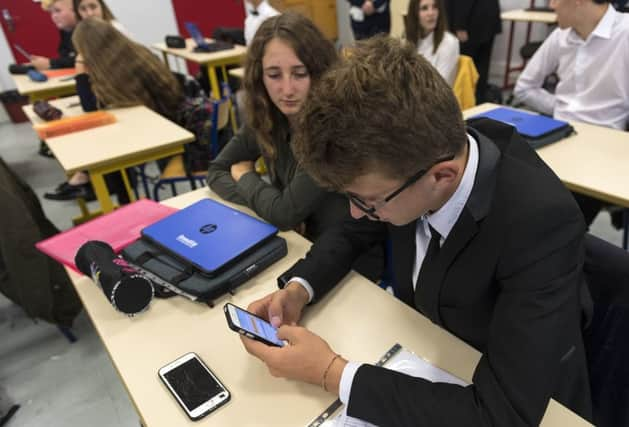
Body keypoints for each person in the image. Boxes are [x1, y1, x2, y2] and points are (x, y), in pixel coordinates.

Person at [240, 35, 593, 426]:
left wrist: (331, 373)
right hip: (430, 346)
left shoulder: (541, 225)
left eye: (368, 202)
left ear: (442, 177)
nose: (357, 214)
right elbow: (355, 230)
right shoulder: (418, 154)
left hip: (523, 391)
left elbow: (500, 414)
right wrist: (298, 288)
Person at [207, 13, 383, 281]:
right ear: (259, 77)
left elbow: (283, 213)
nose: (286, 89)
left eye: (300, 74)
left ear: (320, 71)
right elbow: (216, 171)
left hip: (348, 265)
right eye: (274, 75)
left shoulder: (335, 125)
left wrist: (245, 176)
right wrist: (268, 206)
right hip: (294, 245)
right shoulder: (268, 114)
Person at [514, 0, 629, 226]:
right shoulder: (561, 36)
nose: (552, 6)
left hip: (605, 145)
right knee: (512, 191)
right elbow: (524, 87)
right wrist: (562, 110)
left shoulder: (625, 33)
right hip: (561, 136)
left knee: (556, 219)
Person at [44, 18, 185, 201]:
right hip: (166, 119)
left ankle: (108, 192)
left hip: (160, 130)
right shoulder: (135, 51)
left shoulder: (112, 70)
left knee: (102, 146)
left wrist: (80, 70)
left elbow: (89, 106)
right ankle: (94, 182)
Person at [444, 0, 501, 102]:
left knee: (466, 70)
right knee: (480, 68)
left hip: (471, 22)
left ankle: (469, 103)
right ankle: (478, 102)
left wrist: (460, 24)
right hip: (484, 19)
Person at [405, 0, 459, 85]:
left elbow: (439, 87)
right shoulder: (409, 40)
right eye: (424, 8)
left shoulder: (449, 42)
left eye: (435, 7)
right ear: (414, 14)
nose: (431, 13)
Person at [31, 0, 77, 70]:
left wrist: (50, 63)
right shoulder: (65, 30)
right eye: (51, 13)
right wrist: (45, 62)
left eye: (58, 11)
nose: (54, 16)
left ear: (75, 10)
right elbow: (65, 56)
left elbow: (83, 60)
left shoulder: (88, 30)